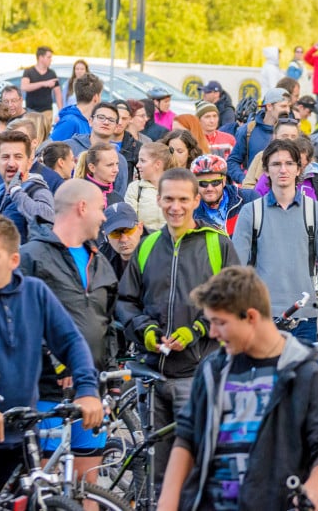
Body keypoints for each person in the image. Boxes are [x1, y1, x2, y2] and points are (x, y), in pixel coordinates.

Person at [158, 266, 318, 511]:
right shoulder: (212, 370)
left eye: (220, 323)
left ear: (251, 317)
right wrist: (167, 503)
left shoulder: (306, 376)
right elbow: (186, 439)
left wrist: (313, 489)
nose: (213, 333)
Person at [0, 214, 103, 492]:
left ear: (14, 260)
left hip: (22, 431)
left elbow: (71, 342)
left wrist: (87, 389)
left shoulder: (35, 292)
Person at [116, 168, 241, 477]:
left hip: (199, 375)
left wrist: (196, 331)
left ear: (196, 200)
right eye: (169, 199)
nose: (176, 207)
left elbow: (235, 300)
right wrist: (145, 331)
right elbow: (125, 301)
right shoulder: (146, 246)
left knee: (199, 469)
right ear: (158, 200)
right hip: (155, 377)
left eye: (184, 199)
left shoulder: (217, 243)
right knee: (159, 472)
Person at [19, 179, 118, 481]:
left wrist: (111, 380)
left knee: (88, 484)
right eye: (101, 209)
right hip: (48, 390)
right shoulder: (31, 256)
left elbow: (108, 322)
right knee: (49, 484)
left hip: (92, 390)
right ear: (82, 207)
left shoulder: (100, 261)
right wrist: (58, 362)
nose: (104, 218)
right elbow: (22, 323)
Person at [233, 140, 318, 339]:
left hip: (303, 318)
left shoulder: (317, 211)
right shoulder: (251, 212)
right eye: (276, 164)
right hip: (261, 316)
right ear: (266, 170)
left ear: (299, 169)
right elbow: (235, 267)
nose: (283, 169)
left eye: (289, 163)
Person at [0, 130, 55, 243]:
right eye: (5, 157)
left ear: (29, 163)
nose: (11, 163)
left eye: (18, 157)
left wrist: (16, 192)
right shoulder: (0, 189)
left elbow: (48, 215)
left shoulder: (37, 190)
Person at [256, 136, 318, 224]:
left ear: (309, 162)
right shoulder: (271, 176)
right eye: (290, 163)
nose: (285, 170)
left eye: (300, 164)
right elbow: (256, 207)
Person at [226, 88, 290, 184]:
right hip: (255, 192)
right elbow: (232, 162)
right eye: (283, 106)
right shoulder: (248, 130)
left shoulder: (291, 132)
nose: (287, 110)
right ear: (269, 106)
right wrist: (245, 180)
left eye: (289, 107)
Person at [65, 101, 129, 193]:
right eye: (101, 117)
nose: (106, 122)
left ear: (116, 127)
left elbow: (119, 194)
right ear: (90, 121)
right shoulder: (69, 147)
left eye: (111, 120)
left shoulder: (119, 160)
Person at [191, 154, 257, 235]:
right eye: (203, 183)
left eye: (215, 182)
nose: (209, 188)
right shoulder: (190, 213)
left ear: (224, 181)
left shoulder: (249, 198)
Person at [240, 118, 300, 190]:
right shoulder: (261, 157)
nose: (289, 140)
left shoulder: (304, 158)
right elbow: (247, 186)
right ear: (274, 136)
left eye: (293, 137)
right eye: (285, 136)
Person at [125, 142, 169, 231]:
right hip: (144, 242)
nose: (137, 165)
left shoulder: (176, 187)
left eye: (142, 161)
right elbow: (129, 221)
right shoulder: (135, 188)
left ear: (158, 164)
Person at [99, 202, 148, 278]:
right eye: (115, 233)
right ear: (106, 236)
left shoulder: (158, 249)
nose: (123, 239)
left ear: (140, 228)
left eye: (128, 231)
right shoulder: (102, 259)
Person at [50, 72, 102, 141]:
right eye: (100, 95)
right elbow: (51, 147)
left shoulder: (89, 121)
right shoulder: (70, 121)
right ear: (96, 97)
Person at [20, 46, 61, 130]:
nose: (51, 60)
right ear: (41, 57)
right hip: (31, 110)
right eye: (48, 57)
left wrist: (61, 112)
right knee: (32, 133)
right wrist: (44, 83)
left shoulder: (52, 73)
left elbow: (58, 94)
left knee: (44, 134)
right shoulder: (28, 72)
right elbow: (24, 87)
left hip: (47, 111)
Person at [74, 143, 123, 208]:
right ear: (92, 168)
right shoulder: (79, 196)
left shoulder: (118, 198)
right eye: (109, 165)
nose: (116, 170)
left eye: (117, 164)